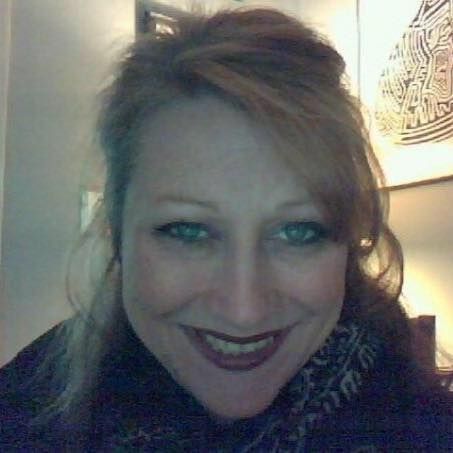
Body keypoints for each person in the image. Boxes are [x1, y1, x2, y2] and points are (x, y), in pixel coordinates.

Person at [1, 6, 451, 451]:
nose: (244, 311)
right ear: (117, 233)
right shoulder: (21, 416)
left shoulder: (425, 426)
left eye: (298, 232)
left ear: (348, 246)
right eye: (188, 231)